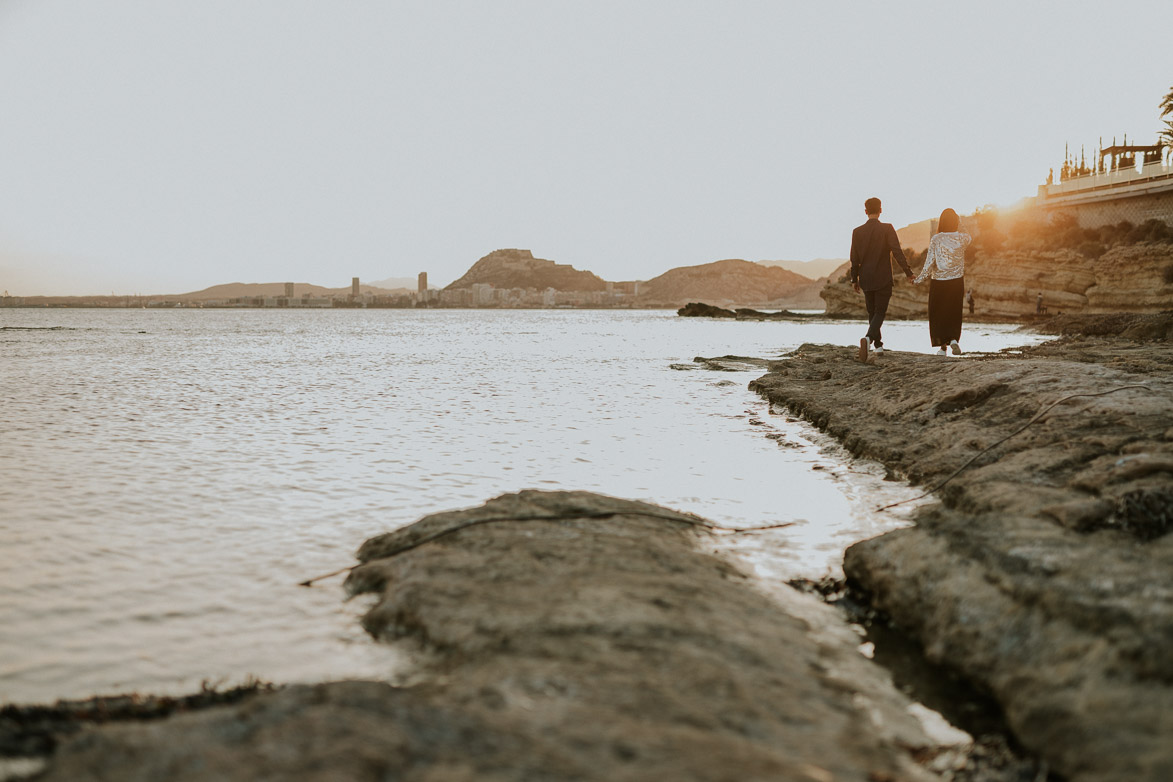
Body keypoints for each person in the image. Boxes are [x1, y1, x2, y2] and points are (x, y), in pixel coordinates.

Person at [850, 197, 914, 360]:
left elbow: (854, 258)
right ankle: (869, 338)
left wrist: (854, 279)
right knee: (880, 311)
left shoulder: (857, 232)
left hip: (865, 277)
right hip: (883, 277)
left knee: (872, 311)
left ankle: (878, 346)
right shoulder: (887, 229)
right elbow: (897, 251)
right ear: (881, 210)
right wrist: (908, 272)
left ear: (865, 212)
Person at [914, 208, 971, 356]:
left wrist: (918, 279)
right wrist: (961, 223)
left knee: (938, 313)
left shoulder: (936, 238)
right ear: (956, 221)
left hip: (939, 282)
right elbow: (968, 235)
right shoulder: (963, 238)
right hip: (957, 282)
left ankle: (942, 347)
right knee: (954, 312)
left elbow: (929, 263)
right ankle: (953, 340)